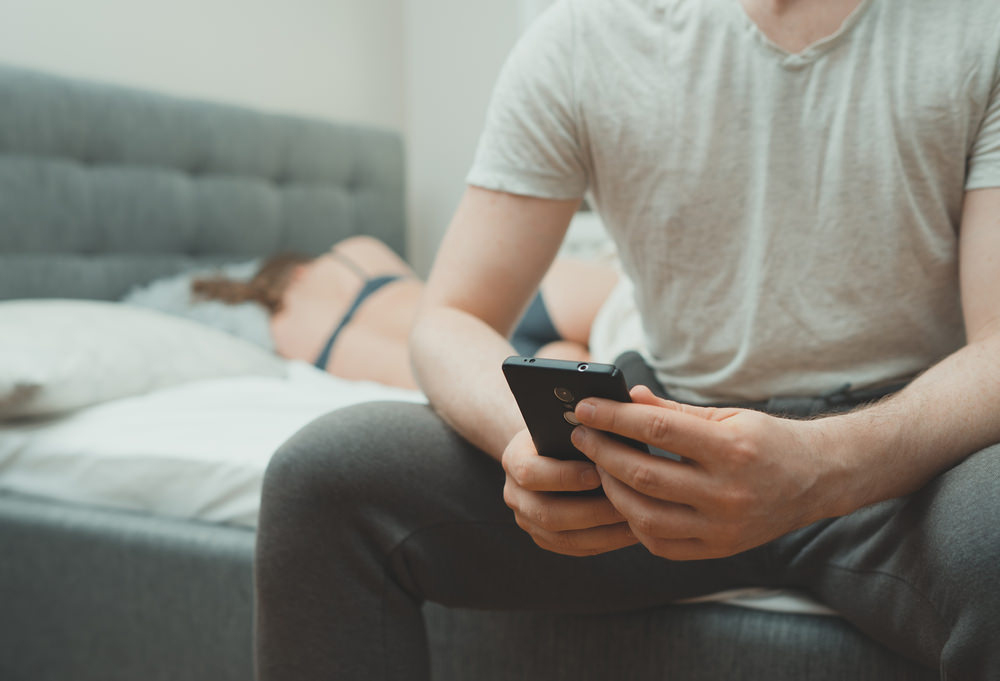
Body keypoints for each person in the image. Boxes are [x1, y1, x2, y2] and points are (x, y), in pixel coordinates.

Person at [254, 1, 1000, 679]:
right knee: (324, 478)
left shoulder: (979, 31)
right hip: (647, 461)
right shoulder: (582, 39)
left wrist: (825, 466)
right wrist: (522, 437)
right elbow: (448, 318)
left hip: (898, 472)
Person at [191, 235, 618, 389]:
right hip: (497, 311)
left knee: (573, 366)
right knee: (634, 306)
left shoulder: (285, 342)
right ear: (297, 269)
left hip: (471, 375)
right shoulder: (350, 255)